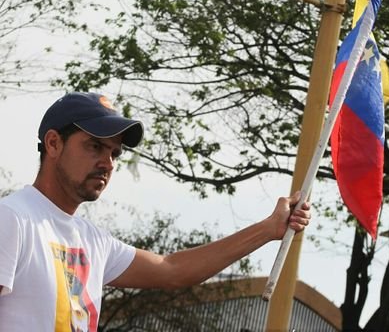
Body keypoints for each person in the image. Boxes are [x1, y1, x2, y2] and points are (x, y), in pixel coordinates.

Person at [0, 92, 311, 331]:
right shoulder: (12, 218)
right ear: (53, 144)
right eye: (94, 146)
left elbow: (172, 270)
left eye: (114, 153)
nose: (107, 163)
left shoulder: (93, 240)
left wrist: (270, 229)